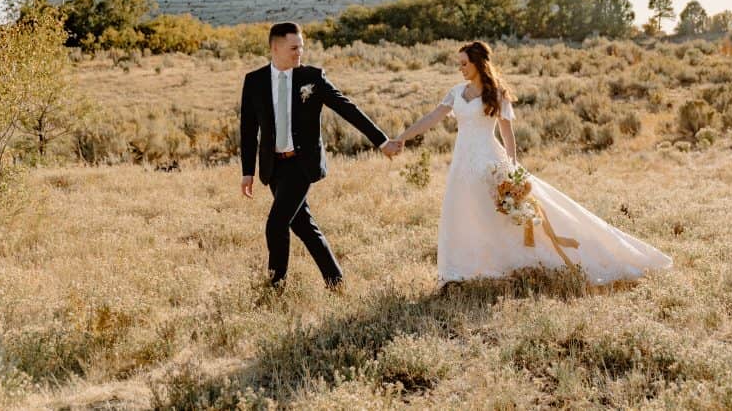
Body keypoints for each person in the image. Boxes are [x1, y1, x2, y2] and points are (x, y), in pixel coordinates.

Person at [393, 41, 672, 288]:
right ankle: (458, 274)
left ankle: (513, 267)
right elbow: (431, 118)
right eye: (459, 65)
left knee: (504, 217)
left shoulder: (496, 93)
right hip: (462, 165)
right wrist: (402, 137)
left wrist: (512, 170)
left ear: (478, 64)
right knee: (462, 214)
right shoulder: (456, 92)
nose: (461, 69)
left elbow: (507, 134)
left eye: (464, 64)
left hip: (491, 162)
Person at [239, 22, 402, 289]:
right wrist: (248, 171)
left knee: (276, 225)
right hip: (273, 168)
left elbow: (347, 108)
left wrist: (381, 141)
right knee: (303, 226)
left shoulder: (312, 77)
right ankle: (336, 281)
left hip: (301, 165)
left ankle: (276, 288)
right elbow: (247, 129)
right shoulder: (254, 81)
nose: (299, 53)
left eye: (301, 47)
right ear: (275, 48)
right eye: (293, 48)